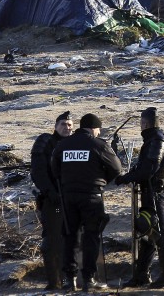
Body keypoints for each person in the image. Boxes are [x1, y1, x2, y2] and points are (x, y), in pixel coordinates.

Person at [52, 113, 122, 292]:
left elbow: (55, 169)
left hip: (68, 196)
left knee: (70, 237)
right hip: (92, 196)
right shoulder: (98, 144)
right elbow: (116, 168)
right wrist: (102, 180)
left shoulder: (63, 145)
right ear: (93, 128)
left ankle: (69, 279)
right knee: (91, 236)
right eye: (98, 129)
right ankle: (89, 279)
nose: (99, 133)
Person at [114, 107, 164, 288]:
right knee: (149, 234)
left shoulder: (157, 140)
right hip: (150, 192)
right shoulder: (152, 140)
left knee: (161, 233)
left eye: (141, 123)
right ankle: (141, 274)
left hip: (155, 192)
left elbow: (149, 169)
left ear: (145, 123)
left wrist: (126, 178)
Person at [30, 111, 74, 290]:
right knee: (53, 242)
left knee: (71, 240)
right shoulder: (45, 141)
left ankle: (70, 279)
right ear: (56, 126)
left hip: (72, 201)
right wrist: (50, 191)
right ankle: (54, 282)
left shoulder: (74, 144)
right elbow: (38, 170)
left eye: (70, 124)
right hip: (53, 201)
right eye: (63, 124)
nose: (67, 127)